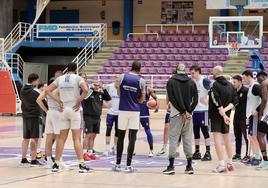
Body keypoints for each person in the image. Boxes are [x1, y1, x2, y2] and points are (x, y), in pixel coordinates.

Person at [45, 63, 93, 173]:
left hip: (64, 109)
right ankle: (81, 164)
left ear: (67, 69)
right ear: (76, 69)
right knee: (76, 138)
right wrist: (79, 100)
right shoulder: (78, 78)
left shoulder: (60, 79)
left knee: (61, 138)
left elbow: (47, 90)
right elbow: (86, 90)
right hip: (74, 110)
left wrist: (58, 101)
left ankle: (56, 164)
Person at [163, 64, 198, 175]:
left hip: (176, 114)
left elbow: (172, 99)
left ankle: (171, 166)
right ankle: (189, 166)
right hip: (188, 116)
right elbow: (196, 100)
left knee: (173, 138)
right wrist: (189, 112)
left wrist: (183, 111)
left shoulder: (171, 81)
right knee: (187, 139)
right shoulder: (191, 82)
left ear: (177, 70)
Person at [112, 61, 145, 173]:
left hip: (122, 110)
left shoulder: (122, 76)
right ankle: (128, 166)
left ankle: (117, 165)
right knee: (132, 138)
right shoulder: (141, 80)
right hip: (134, 111)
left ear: (131, 67)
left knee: (120, 137)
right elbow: (142, 99)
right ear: (139, 69)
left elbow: (118, 93)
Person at [209, 66, 238, 173]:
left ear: (215, 73)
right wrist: (225, 113)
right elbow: (235, 101)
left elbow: (216, 101)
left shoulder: (213, 84)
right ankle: (230, 164)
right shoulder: (231, 85)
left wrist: (223, 114)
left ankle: (221, 164)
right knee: (227, 139)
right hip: (226, 114)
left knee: (217, 139)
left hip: (217, 115)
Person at [36, 71, 65, 168]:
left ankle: (48, 161)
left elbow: (38, 100)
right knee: (59, 138)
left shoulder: (47, 88)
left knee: (48, 137)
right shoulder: (59, 88)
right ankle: (59, 160)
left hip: (50, 113)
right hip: (57, 113)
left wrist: (46, 110)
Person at [82, 80, 111, 160]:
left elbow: (108, 98)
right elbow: (84, 97)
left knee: (93, 136)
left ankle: (90, 153)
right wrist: (91, 88)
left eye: (98, 85)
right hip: (88, 117)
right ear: (92, 85)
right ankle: (84, 153)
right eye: (95, 84)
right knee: (87, 135)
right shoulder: (88, 93)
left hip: (97, 117)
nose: (97, 86)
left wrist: (103, 88)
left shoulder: (100, 94)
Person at [190, 65, 212, 161]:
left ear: (198, 72)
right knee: (195, 132)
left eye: (193, 73)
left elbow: (213, 91)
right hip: (195, 110)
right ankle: (197, 151)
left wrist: (208, 100)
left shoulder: (205, 80)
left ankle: (208, 152)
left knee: (205, 131)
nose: (191, 75)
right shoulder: (192, 81)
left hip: (204, 110)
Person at [20, 73, 43, 166]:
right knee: (35, 139)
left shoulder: (22, 90)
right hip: (34, 117)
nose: (37, 82)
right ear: (34, 80)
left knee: (26, 138)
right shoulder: (35, 92)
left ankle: (23, 159)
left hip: (25, 116)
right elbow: (43, 102)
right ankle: (33, 159)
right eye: (37, 80)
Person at [242, 70, 262, 166]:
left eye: (244, 77)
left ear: (249, 76)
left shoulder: (255, 86)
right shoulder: (251, 87)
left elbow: (265, 98)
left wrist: (257, 110)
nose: (243, 80)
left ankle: (258, 158)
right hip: (250, 116)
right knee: (251, 137)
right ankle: (255, 155)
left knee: (254, 137)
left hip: (254, 116)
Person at [232, 75, 249, 161]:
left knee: (246, 137)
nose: (233, 83)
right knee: (237, 136)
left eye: (234, 82)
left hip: (244, 117)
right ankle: (238, 154)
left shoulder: (246, 90)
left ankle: (247, 154)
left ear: (239, 81)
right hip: (236, 116)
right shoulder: (234, 91)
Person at [140, 86, 159, 157]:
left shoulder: (147, 89)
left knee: (147, 131)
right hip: (135, 113)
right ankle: (131, 150)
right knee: (132, 133)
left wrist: (157, 106)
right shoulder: (146, 89)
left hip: (143, 113)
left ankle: (151, 150)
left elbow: (156, 98)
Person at [104, 77, 120, 156]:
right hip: (110, 112)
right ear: (114, 80)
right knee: (108, 129)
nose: (118, 82)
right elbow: (102, 95)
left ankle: (115, 147)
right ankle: (107, 148)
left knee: (118, 131)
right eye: (117, 80)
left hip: (119, 113)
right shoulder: (109, 87)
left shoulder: (122, 87)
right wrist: (105, 104)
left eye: (119, 81)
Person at [256, 71, 268, 170]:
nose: (259, 82)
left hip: (267, 114)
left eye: (259, 79)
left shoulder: (265, 83)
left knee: (259, 135)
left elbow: (264, 99)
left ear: (263, 76)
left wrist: (260, 114)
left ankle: (265, 160)